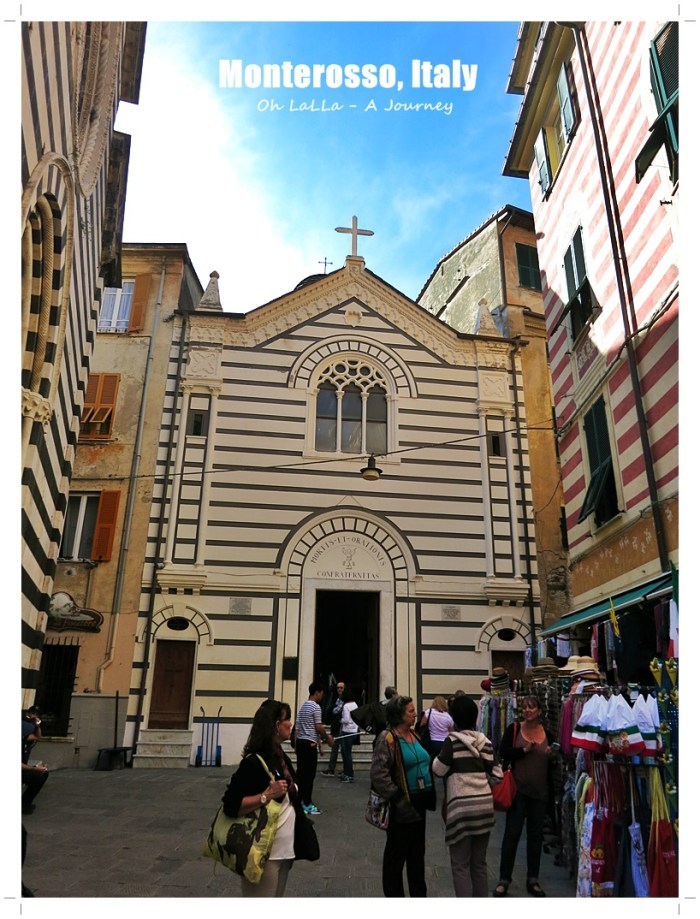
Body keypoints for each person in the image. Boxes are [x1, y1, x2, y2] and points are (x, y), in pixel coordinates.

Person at [221, 699, 300, 897]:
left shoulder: (282, 758)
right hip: (263, 853)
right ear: (274, 726)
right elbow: (231, 804)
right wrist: (266, 795)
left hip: (284, 851)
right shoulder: (254, 763)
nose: (290, 724)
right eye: (286, 719)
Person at [432, 695, 503, 897]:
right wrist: (482, 786)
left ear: (454, 718)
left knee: (460, 865)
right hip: (483, 808)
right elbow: (498, 775)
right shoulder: (485, 742)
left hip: (461, 810)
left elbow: (438, 770)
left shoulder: (451, 742)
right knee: (479, 864)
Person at [370, 694, 436, 897]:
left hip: (419, 802)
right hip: (401, 803)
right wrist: (397, 798)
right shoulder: (387, 738)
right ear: (399, 715)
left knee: (417, 855)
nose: (415, 714)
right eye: (411, 711)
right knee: (396, 857)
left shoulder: (415, 735)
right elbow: (378, 774)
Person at [493, 695, 556, 898]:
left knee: (535, 836)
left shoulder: (548, 734)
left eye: (532, 707)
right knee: (512, 834)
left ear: (539, 711)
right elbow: (503, 752)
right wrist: (523, 750)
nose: (528, 710)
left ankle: (533, 879)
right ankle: (504, 879)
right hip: (518, 791)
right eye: (525, 707)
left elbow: (554, 762)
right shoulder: (514, 729)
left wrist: (551, 756)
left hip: (540, 792)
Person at [294, 681, 332, 815]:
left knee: (301, 773)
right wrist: (327, 738)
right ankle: (307, 804)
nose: (322, 696)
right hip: (309, 745)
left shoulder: (303, 707)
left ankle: (299, 800)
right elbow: (318, 727)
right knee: (309, 775)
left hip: (301, 743)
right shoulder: (316, 707)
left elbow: (298, 729)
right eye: (322, 693)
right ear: (317, 692)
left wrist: (320, 746)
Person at [22, 707, 48, 815]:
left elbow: (37, 736)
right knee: (38, 776)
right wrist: (34, 768)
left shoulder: (25, 735)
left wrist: (37, 726)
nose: (34, 716)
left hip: (22, 766)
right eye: (32, 713)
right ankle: (23, 806)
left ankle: (24, 803)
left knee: (43, 774)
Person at [320, 680, 345, 776]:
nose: (339, 689)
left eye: (341, 688)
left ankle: (344, 770)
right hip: (335, 727)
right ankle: (331, 769)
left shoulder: (345, 700)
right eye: (338, 687)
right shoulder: (335, 698)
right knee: (335, 748)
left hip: (343, 727)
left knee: (343, 749)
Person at [419, 695, 454, 760]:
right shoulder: (448, 717)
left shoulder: (428, 712)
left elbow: (421, 725)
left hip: (431, 741)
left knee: (431, 760)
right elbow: (451, 732)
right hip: (444, 743)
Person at [337, 689, 360, 783]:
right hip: (354, 730)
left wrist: (340, 720)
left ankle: (348, 774)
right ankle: (347, 772)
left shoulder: (346, 706)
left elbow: (346, 720)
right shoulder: (355, 704)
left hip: (346, 731)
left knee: (346, 753)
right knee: (347, 752)